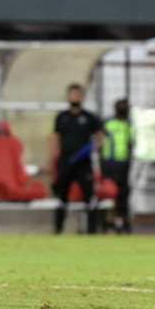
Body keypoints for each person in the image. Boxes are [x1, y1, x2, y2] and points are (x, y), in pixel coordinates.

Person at [51, 83, 105, 234]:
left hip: (83, 163)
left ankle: (92, 232)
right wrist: (54, 158)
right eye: (72, 94)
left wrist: (94, 149)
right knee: (62, 197)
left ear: (82, 97)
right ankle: (58, 230)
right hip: (66, 162)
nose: (74, 97)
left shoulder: (89, 117)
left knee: (89, 197)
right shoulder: (62, 117)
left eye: (77, 94)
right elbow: (55, 138)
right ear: (68, 96)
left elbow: (101, 137)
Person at [102, 99, 133, 234]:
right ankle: (108, 221)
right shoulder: (108, 123)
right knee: (109, 193)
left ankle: (122, 221)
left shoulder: (129, 124)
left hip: (124, 163)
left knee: (123, 193)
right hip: (109, 163)